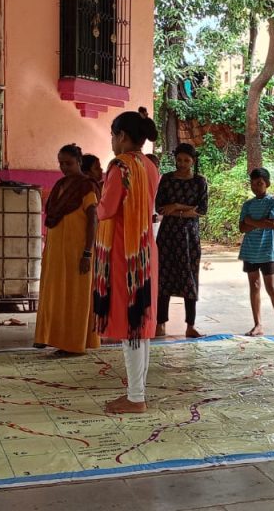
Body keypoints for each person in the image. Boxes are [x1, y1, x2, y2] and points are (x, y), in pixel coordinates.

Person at [93, 108, 160, 414]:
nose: (111, 141)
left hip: (124, 252)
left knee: (131, 323)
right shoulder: (149, 165)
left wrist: (94, 201)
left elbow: (106, 209)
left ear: (121, 136)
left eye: (112, 135)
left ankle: (135, 397)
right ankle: (137, 392)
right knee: (140, 324)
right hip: (145, 249)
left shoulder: (120, 166)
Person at [33, 144, 101, 354]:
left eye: (69, 163)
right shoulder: (60, 185)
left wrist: (87, 253)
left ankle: (74, 344)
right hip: (56, 250)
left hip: (77, 250)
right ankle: (49, 336)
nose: (64, 167)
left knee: (74, 295)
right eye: (61, 163)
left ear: (79, 162)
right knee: (54, 293)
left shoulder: (87, 186)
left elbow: (93, 219)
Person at [155, 143, 208, 339]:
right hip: (168, 235)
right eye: (179, 160)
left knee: (189, 276)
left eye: (186, 160)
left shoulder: (200, 181)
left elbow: (202, 210)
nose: (182, 164)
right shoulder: (167, 179)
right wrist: (187, 209)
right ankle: (160, 323)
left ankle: (190, 325)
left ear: (193, 161)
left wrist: (176, 206)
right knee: (163, 276)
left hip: (189, 236)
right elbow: (160, 208)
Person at [240, 168, 274, 339]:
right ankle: (258, 324)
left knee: (272, 287)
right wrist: (260, 222)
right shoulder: (247, 204)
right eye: (253, 184)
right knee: (254, 286)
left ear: (267, 184)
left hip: (266, 251)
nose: (256, 187)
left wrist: (251, 221)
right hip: (249, 250)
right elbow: (242, 228)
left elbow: (272, 225)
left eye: (259, 183)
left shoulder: (273, 202)